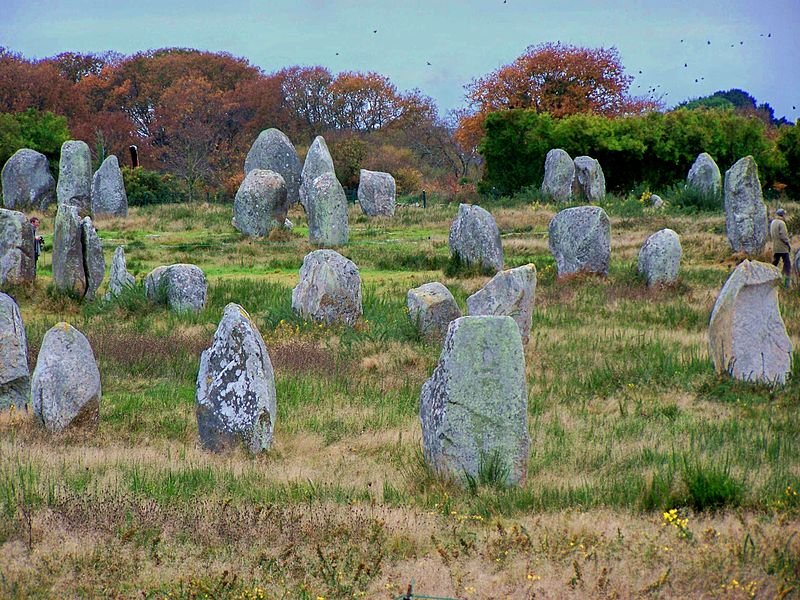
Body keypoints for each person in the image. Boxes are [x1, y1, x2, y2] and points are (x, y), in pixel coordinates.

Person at [769, 208, 791, 287]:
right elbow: (783, 236)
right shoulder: (781, 223)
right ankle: (787, 284)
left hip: (775, 246)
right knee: (787, 265)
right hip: (783, 247)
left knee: (774, 264)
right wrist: (788, 244)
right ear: (782, 215)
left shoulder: (773, 222)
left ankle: (770, 279)